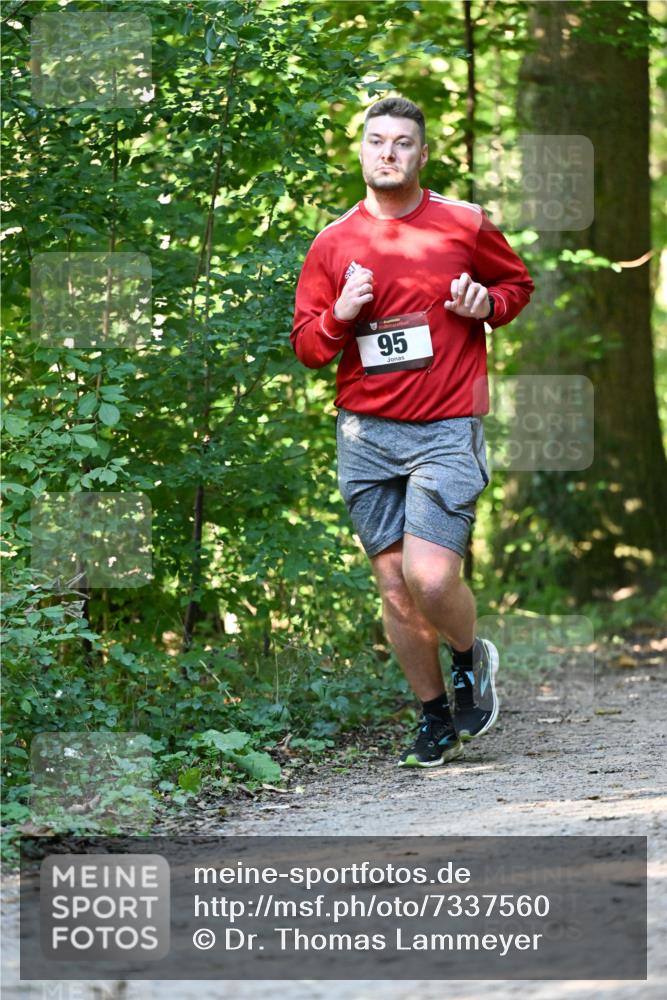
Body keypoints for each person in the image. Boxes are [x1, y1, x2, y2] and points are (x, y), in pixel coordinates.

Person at [290, 96, 535, 768]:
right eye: (377, 141)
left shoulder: (462, 224)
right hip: (365, 436)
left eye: (402, 142)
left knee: (429, 579)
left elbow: (514, 285)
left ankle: (467, 658)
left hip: (446, 427)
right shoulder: (333, 243)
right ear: (362, 152)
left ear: (421, 154)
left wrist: (487, 303)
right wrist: (339, 313)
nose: (389, 152)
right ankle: (431, 717)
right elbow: (308, 346)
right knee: (394, 587)